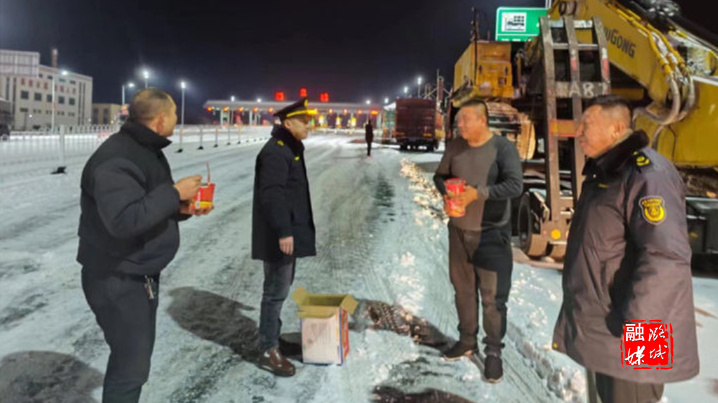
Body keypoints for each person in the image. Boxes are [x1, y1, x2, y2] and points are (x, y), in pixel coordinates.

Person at [552, 95, 699, 403]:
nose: (579, 132)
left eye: (587, 125)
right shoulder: (607, 173)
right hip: (607, 331)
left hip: (635, 335)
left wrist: (638, 336)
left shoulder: (648, 174)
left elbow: (666, 257)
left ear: (617, 128)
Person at [78, 88, 213, 403]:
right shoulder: (117, 159)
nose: (178, 119)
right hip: (117, 277)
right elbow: (124, 220)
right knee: (131, 368)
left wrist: (181, 208)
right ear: (161, 119)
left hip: (136, 273)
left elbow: (144, 205)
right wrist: (174, 193)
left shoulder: (144, 150)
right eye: (175, 114)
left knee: (133, 361)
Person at [433, 99, 523, 383]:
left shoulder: (503, 149)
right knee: (462, 291)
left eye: (465, 119)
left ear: (482, 121)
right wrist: (446, 194)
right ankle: (466, 340)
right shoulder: (455, 146)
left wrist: (478, 193)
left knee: (493, 298)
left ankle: (493, 352)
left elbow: (515, 185)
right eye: (458, 120)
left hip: (491, 233)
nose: (459, 124)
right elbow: (440, 176)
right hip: (459, 231)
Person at [252, 97, 317, 377]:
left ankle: (273, 339)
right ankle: (269, 349)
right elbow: (272, 194)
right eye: (304, 121)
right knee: (275, 292)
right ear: (288, 123)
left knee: (281, 288)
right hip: (279, 234)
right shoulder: (276, 152)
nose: (309, 126)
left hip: (286, 231)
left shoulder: (289, 148)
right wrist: (284, 230)